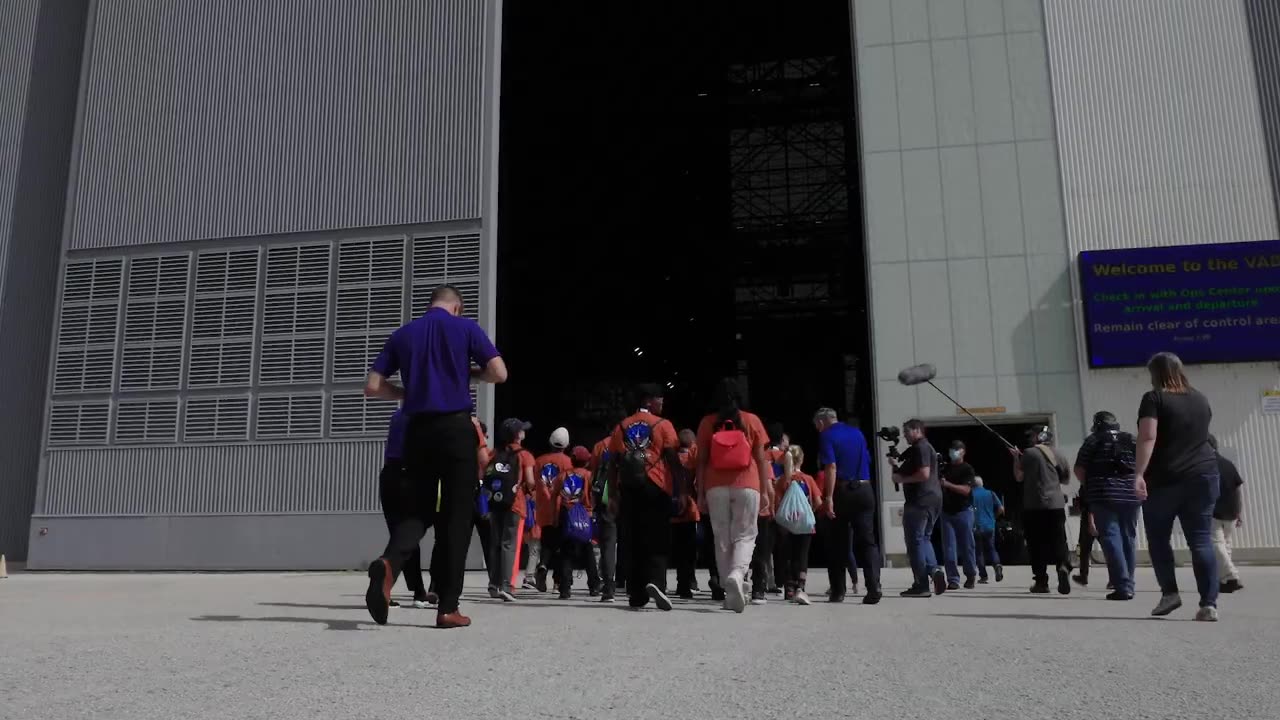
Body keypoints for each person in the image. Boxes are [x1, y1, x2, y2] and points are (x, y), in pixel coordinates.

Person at [363, 285, 507, 629]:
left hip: (417, 430)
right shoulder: (466, 328)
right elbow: (499, 373)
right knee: (457, 518)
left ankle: (389, 564)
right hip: (456, 429)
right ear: (456, 307)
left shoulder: (403, 334)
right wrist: (469, 373)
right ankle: (447, 608)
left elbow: (372, 386)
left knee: (417, 511)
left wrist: (405, 392)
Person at [1134, 352, 1220, 620]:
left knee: (1159, 538)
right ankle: (1208, 604)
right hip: (1205, 475)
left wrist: (1138, 473)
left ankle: (1170, 593)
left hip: (1165, 479)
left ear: (1155, 373)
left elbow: (1148, 436)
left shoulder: (1154, 398)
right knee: (1201, 539)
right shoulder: (1200, 399)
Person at [696, 378, 772, 613]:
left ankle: (729, 591)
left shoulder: (707, 423)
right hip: (747, 483)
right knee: (746, 534)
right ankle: (738, 574)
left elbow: (701, 461)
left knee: (721, 537)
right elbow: (761, 459)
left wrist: (699, 493)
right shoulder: (751, 421)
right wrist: (765, 489)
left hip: (715, 485)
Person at [608, 383, 683, 611]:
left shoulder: (622, 426)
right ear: (649, 400)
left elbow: (613, 463)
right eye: (660, 398)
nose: (663, 402)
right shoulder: (663, 425)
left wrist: (612, 495)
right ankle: (656, 582)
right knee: (657, 536)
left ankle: (636, 593)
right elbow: (673, 460)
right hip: (656, 486)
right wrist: (682, 491)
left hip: (629, 488)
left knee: (632, 539)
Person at [814, 407, 881, 604]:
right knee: (868, 541)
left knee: (837, 543)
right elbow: (867, 459)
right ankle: (873, 586)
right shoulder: (857, 433)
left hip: (843, 490)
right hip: (865, 489)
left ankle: (838, 591)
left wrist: (828, 497)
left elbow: (831, 467)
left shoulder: (826, 435)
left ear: (821, 422)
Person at [1074, 411, 1139, 600]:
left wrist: (1089, 484)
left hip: (1103, 495)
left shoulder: (1093, 440)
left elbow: (1079, 470)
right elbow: (1145, 463)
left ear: (1097, 424)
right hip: (1130, 495)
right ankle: (1130, 583)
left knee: (1111, 537)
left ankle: (1122, 585)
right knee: (1129, 537)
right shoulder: (1131, 439)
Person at [378, 409, 433, 609]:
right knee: (409, 533)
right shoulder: (425, 415)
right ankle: (386, 577)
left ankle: (417, 591)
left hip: (389, 475)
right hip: (410, 476)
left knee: (400, 535)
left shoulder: (397, 415)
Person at [1011, 425, 1072, 595]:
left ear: (1039, 436)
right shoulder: (1058, 454)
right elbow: (1066, 479)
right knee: (1059, 539)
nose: (1030, 439)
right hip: (1056, 504)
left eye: (1032, 436)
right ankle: (1062, 566)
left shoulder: (1029, 453)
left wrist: (1016, 458)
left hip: (1034, 505)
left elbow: (1019, 477)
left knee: (1036, 544)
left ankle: (1041, 581)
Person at [484, 418, 536, 602]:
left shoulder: (495, 453)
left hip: (496, 503)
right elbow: (530, 481)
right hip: (515, 504)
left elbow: (484, 472)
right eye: (522, 430)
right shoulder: (525, 455)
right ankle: (507, 585)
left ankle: (493, 584)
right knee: (509, 544)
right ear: (517, 435)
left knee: (495, 543)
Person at [893, 419, 945, 598]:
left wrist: (902, 480)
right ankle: (934, 570)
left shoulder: (921, 447)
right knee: (924, 538)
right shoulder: (922, 448)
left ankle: (921, 584)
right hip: (932, 499)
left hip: (920, 500)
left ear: (916, 430)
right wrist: (895, 467)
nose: (904, 436)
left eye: (906, 431)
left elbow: (924, 474)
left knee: (914, 542)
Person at [555, 446, 603, 599]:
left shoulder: (563, 476)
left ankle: (565, 588)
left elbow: (554, 496)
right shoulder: (589, 475)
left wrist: (555, 516)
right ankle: (594, 586)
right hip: (586, 516)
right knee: (588, 551)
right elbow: (594, 495)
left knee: (566, 553)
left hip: (567, 516)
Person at [776, 445, 821, 605]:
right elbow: (818, 501)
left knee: (787, 555)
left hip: (786, 525)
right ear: (801, 459)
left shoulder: (782, 481)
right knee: (802, 555)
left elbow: (777, 503)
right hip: (805, 524)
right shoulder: (808, 479)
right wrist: (809, 511)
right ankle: (800, 588)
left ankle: (789, 588)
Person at [530, 428, 573, 593]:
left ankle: (543, 565)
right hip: (561, 507)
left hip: (543, 508)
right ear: (567, 445)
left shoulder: (539, 461)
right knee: (561, 546)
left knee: (546, 541)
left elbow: (533, 483)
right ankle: (557, 581)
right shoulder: (568, 462)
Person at [940, 440, 978, 590]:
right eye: (951, 449)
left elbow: (967, 490)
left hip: (963, 511)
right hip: (946, 512)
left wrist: (948, 485)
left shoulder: (967, 469)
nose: (953, 452)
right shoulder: (945, 469)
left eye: (956, 449)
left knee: (967, 545)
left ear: (963, 451)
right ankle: (953, 579)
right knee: (949, 547)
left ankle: (970, 575)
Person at [1208, 435, 1244, 594]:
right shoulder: (1229, 464)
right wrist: (1239, 511)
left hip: (1214, 511)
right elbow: (1238, 489)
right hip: (1231, 511)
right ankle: (1223, 581)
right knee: (1226, 545)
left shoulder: (1207, 465)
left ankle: (1231, 575)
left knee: (1216, 544)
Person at [671, 429, 701, 599]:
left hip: (673, 511)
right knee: (690, 550)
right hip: (690, 509)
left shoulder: (672, 459)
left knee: (676, 549)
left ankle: (678, 582)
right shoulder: (693, 460)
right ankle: (688, 583)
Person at [590, 431, 620, 602]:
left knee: (607, 544)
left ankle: (608, 586)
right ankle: (634, 585)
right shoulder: (635, 440)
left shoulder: (601, 445)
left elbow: (593, 473)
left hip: (607, 498)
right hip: (631, 495)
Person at [970, 477, 1004, 583]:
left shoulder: (970, 494)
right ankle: (997, 565)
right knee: (991, 548)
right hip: (990, 525)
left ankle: (983, 576)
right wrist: (993, 517)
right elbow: (1001, 509)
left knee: (979, 551)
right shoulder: (990, 493)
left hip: (976, 526)